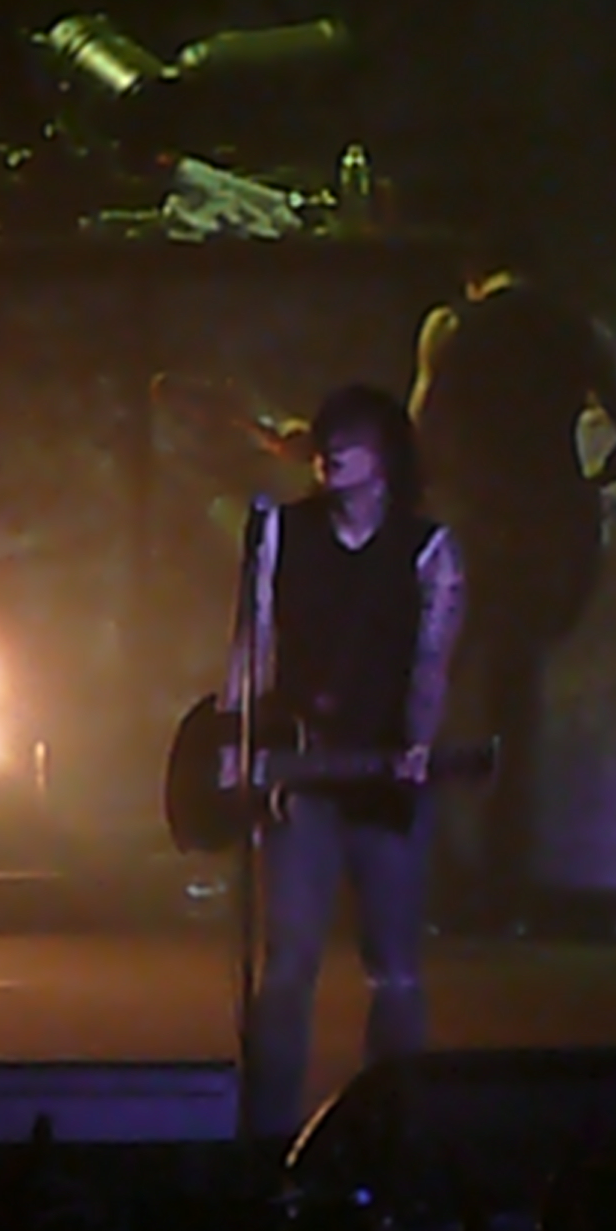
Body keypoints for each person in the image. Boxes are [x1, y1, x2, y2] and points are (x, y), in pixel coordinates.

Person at [223, 384, 464, 1138]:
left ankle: (391, 1131)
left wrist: (418, 745)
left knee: (394, 965)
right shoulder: (280, 532)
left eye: (351, 440)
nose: (332, 454)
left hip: (385, 777)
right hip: (301, 774)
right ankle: (267, 1135)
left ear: (385, 456)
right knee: (288, 960)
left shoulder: (429, 547)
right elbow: (252, 645)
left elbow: (433, 660)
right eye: (327, 439)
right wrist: (235, 746)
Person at [410, 226, 616, 932]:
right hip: (550, 535)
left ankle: (436, 882)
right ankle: (505, 892)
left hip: (472, 531)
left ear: (474, 273)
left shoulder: (451, 329)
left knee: (429, 701)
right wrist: (586, 486)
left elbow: (416, 438)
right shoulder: (578, 331)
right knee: (514, 714)